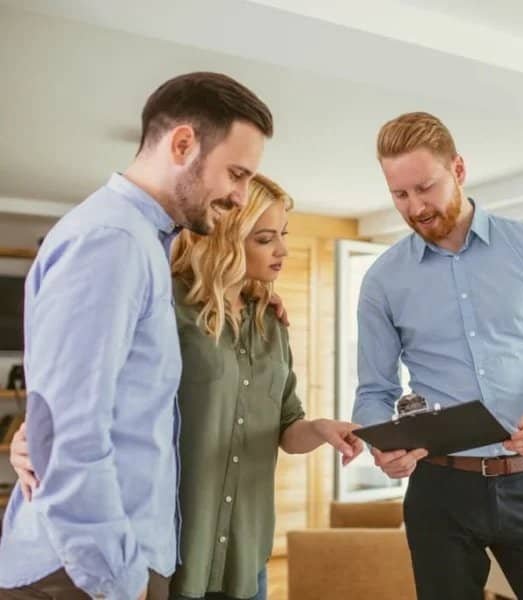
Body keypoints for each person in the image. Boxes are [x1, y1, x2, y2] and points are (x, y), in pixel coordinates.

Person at [10, 175, 364, 600]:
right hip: (174, 556)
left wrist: (321, 429)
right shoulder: (164, 305)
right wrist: (32, 436)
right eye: (265, 238)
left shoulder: (271, 322)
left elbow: (287, 427)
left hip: (245, 558)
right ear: (226, 239)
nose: (283, 250)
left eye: (283, 236)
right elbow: (93, 392)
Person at [0, 71, 274, 600]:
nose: (241, 197)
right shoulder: (112, 241)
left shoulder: (145, 243)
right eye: (236, 174)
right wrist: (119, 579)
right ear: (183, 143)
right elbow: (69, 433)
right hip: (84, 574)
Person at [353, 112, 523, 599]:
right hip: (439, 491)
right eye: (399, 195)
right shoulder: (383, 280)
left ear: (459, 169)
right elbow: (375, 391)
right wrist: (381, 445)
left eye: (425, 188)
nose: (415, 207)